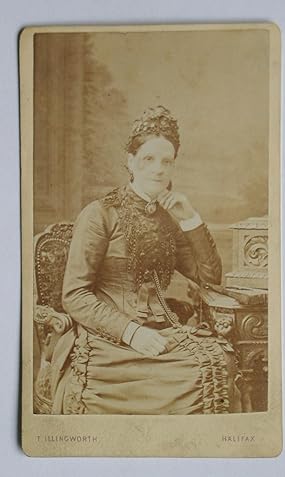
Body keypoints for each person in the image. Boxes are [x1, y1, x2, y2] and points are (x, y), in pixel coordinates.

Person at [54, 105, 240, 415]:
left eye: (167, 162)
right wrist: (131, 332)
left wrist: (190, 218)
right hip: (109, 339)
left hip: (161, 332)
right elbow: (74, 295)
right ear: (131, 162)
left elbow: (209, 278)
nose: (159, 170)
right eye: (149, 159)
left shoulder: (169, 217)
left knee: (218, 365)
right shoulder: (99, 214)